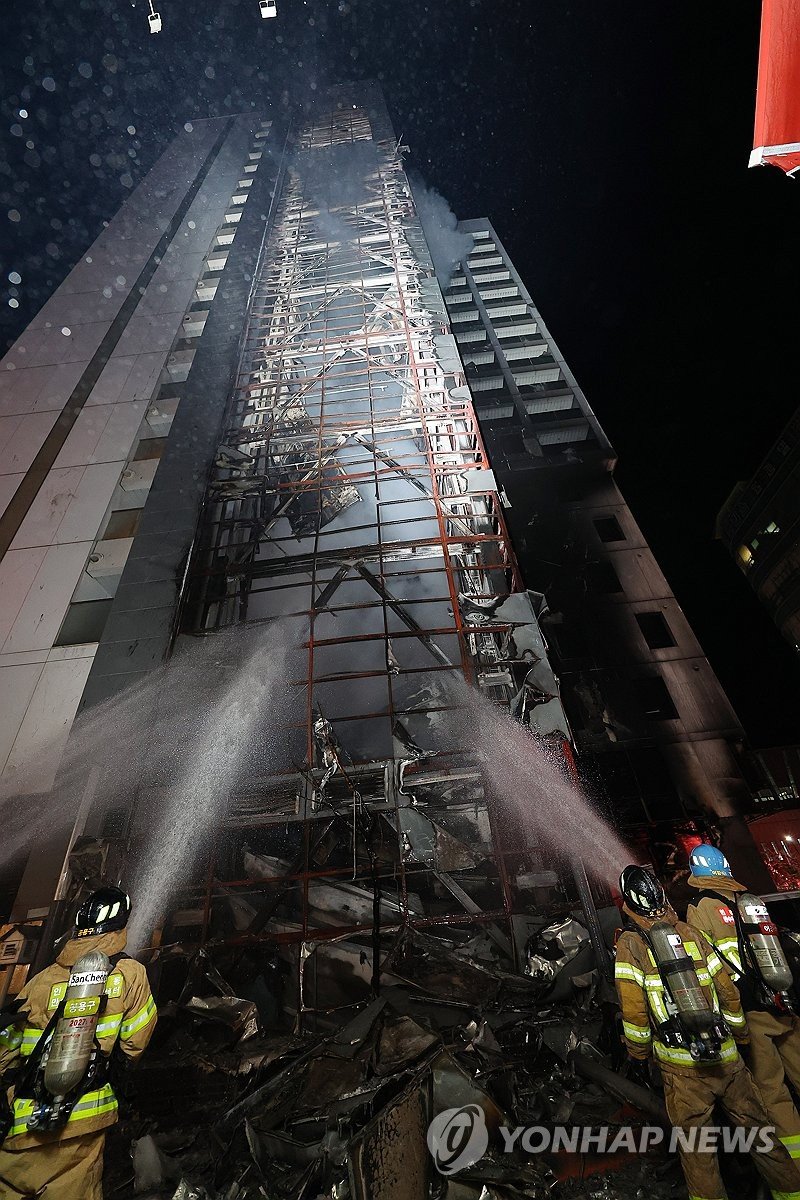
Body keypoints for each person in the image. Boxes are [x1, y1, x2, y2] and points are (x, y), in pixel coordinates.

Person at [615, 864, 800, 1200]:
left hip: (682, 1069)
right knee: (761, 1136)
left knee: (699, 1153)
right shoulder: (689, 932)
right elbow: (728, 991)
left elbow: (633, 1011)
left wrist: (638, 1056)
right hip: (727, 1057)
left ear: (628, 902)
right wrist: (741, 1039)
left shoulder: (630, 944)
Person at [0, 887, 156, 1199]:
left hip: (20, 1119)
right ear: (121, 926)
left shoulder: (42, 979)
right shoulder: (129, 973)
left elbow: (6, 1050)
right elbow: (135, 1042)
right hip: (80, 1122)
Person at [688, 843, 800, 1162]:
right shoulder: (747, 900)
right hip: (780, 998)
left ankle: (795, 1163)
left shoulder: (700, 906)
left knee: (772, 1090)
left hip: (749, 1009)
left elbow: (705, 964)